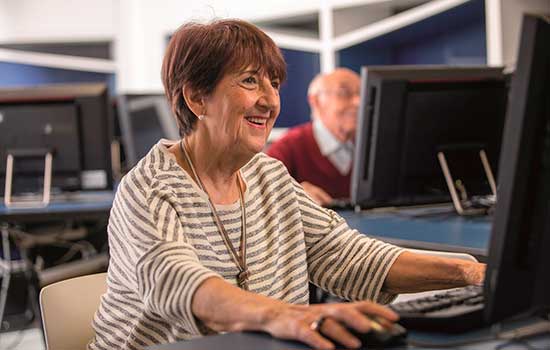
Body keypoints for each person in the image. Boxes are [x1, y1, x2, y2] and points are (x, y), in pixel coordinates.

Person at [89, 19, 485, 350]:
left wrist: (472, 274)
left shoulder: (270, 178)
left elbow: (352, 257)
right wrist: (289, 316)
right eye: (249, 81)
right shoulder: (148, 188)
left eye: (274, 82)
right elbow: (177, 283)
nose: (270, 100)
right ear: (196, 97)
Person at [266, 68, 360, 206]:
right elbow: (262, 198)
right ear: (316, 101)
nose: (358, 102)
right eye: (344, 93)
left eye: (362, 93)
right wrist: (289, 196)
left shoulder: (374, 147)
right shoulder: (287, 147)